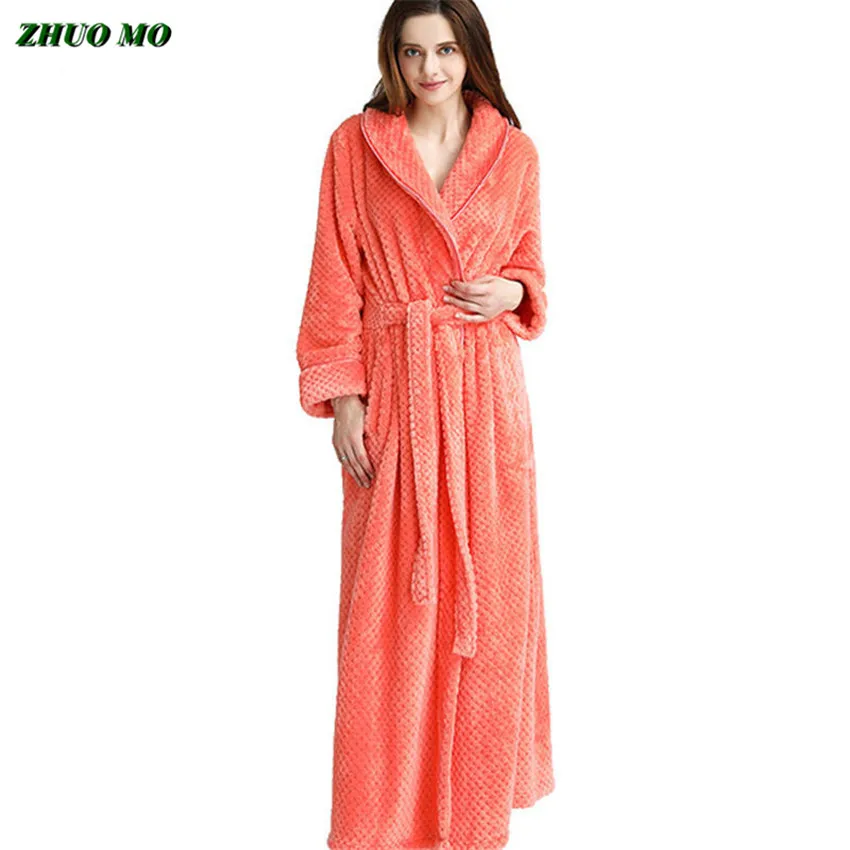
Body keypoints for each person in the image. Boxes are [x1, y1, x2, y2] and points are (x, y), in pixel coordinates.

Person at [295, 2, 554, 848]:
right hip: (398, 398)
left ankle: (470, 817)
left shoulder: (514, 153)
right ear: (393, 59)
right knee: (386, 619)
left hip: (486, 401)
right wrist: (344, 397)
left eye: (445, 49)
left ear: (470, 53)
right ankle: (380, 824)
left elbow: (529, 266)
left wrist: (514, 291)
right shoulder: (355, 147)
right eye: (412, 52)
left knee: (490, 617)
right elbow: (334, 275)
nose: (430, 68)